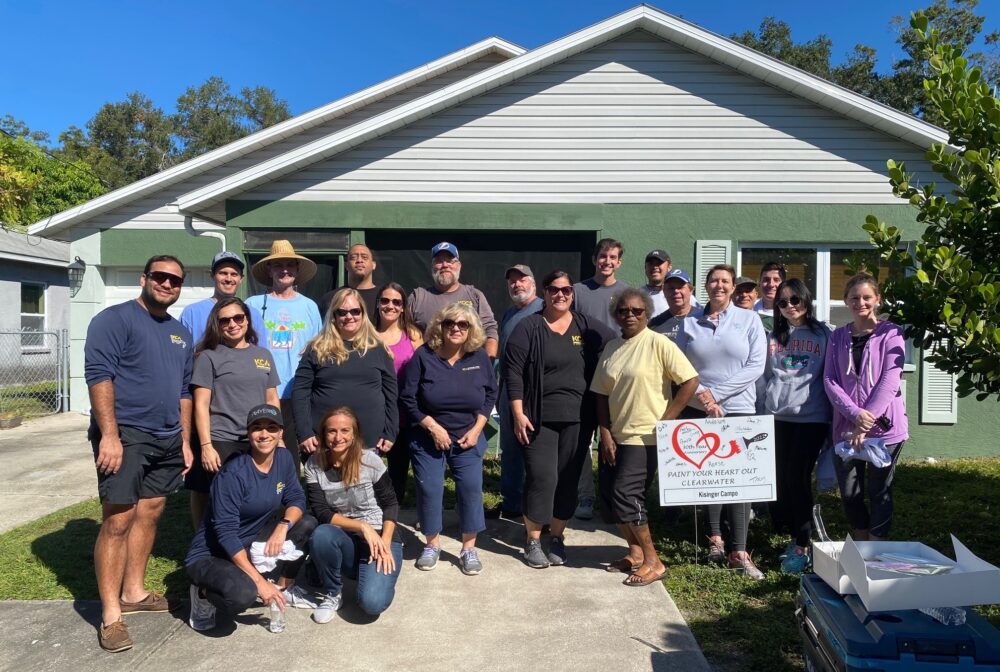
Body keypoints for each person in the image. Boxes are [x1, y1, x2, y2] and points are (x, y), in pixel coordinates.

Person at [84, 255, 194, 653]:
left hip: (167, 438)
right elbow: (99, 375)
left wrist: (184, 440)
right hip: (127, 435)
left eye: (175, 280)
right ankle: (111, 615)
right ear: (144, 278)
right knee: (118, 519)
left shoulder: (180, 333)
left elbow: (184, 390)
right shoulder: (114, 320)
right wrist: (109, 436)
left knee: (150, 512)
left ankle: (133, 592)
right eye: (160, 276)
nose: (167, 284)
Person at [504, 270, 613, 568]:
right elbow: (513, 372)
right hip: (537, 418)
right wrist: (517, 413)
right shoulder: (529, 327)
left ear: (572, 294)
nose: (560, 295)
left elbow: (618, 343)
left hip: (578, 418)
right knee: (542, 477)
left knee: (567, 478)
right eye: (554, 289)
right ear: (545, 293)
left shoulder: (585, 325)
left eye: (566, 290)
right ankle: (533, 539)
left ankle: (557, 537)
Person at [591, 288, 698, 586]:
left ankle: (654, 562)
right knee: (611, 498)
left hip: (645, 437)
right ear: (616, 315)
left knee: (628, 495)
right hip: (616, 435)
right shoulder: (612, 347)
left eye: (637, 311)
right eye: (623, 310)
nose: (630, 315)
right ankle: (635, 553)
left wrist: (668, 419)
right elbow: (601, 394)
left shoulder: (658, 343)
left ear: (647, 314)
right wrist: (605, 432)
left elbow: (690, 381)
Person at [185, 405, 317, 632]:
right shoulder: (233, 474)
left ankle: (283, 588)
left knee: (307, 523)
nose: (264, 434)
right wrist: (259, 583)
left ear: (280, 432)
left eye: (271, 428)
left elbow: (296, 498)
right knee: (243, 595)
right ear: (248, 433)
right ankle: (203, 594)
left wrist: (283, 527)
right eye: (257, 428)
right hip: (213, 553)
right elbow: (226, 534)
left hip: (250, 542)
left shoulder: (284, 458)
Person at [675, 264, 767, 580]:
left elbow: (756, 365)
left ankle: (739, 551)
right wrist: (703, 396)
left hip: (739, 409)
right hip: (698, 408)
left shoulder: (750, 319)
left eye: (725, 281)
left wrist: (716, 394)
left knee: (740, 480)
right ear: (706, 286)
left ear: (733, 287)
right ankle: (715, 539)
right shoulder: (689, 322)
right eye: (714, 280)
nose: (719, 285)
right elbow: (679, 366)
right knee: (709, 476)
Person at [400, 303, 498, 576]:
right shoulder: (424, 356)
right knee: (430, 488)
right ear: (439, 327)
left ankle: (469, 548)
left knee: (470, 488)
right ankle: (432, 544)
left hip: (468, 436)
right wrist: (433, 427)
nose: (456, 328)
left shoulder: (479, 357)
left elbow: (491, 394)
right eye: (449, 323)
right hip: (427, 436)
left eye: (462, 324)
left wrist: (477, 429)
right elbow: (408, 398)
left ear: (471, 329)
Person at [824, 273, 908, 542]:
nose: (861, 302)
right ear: (846, 301)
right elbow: (830, 380)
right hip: (846, 426)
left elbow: (890, 379)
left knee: (879, 490)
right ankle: (861, 542)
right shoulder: (837, 337)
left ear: (877, 299)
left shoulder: (892, 333)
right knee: (850, 492)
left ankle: (877, 545)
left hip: (885, 428)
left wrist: (865, 421)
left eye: (867, 297)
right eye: (855, 297)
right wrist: (855, 415)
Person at [185, 297, 280, 530]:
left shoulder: (263, 355)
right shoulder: (208, 357)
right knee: (214, 497)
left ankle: (243, 540)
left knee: (251, 496)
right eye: (225, 320)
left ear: (247, 320)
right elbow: (201, 404)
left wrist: (279, 436)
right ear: (217, 325)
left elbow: (271, 399)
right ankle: (204, 542)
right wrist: (206, 446)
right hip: (221, 439)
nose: (232, 324)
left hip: (257, 439)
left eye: (238, 317)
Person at [761, 279, 832, 574]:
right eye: (782, 302)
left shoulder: (824, 334)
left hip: (811, 416)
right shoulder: (773, 336)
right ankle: (787, 531)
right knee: (778, 477)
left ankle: (802, 543)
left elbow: (832, 375)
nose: (789, 306)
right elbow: (766, 375)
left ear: (806, 300)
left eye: (795, 300)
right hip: (778, 416)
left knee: (797, 477)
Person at [305, 407, 402, 622]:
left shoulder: (370, 460)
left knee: (372, 603)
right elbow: (321, 511)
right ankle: (333, 593)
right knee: (322, 534)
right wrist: (362, 526)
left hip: (380, 535)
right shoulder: (314, 464)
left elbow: (391, 504)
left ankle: (373, 576)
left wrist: (385, 542)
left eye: (344, 430)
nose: (338, 437)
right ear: (323, 434)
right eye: (331, 431)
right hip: (345, 535)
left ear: (354, 434)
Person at [292, 288, 398, 457]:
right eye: (342, 312)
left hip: (369, 441)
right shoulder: (316, 349)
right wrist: (304, 432)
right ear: (334, 316)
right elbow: (300, 392)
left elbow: (391, 395)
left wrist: (391, 431)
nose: (349, 316)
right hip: (324, 443)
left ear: (363, 314)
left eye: (355, 311)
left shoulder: (379, 349)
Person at [246, 240, 322, 468]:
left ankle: (297, 490)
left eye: (290, 265)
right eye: (278, 265)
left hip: (300, 390)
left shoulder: (309, 306)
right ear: (269, 270)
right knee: (264, 451)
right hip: (263, 389)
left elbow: (318, 349)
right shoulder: (252, 304)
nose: (284, 270)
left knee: (301, 452)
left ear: (297, 270)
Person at [570, 238, 629, 519]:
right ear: (595, 259)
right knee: (581, 440)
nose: (607, 261)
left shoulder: (627, 292)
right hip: (582, 374)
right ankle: (585, 496)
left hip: (616, 378)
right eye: (603, 256)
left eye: (613, 257)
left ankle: (612, 499)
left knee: (613, 439)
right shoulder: (578, 291)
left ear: (619, 262)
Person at [487, 264, 544, 520]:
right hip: (509, 393)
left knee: (533, 452)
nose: (516, 284)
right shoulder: (510, 313)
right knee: (510, 450)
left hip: (533, 394)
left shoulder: (544, 309)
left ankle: (536, 509)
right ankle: (512, 504)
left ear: (533, 283)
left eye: (522, 280)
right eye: (512, 281)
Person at [374, 281, 424, 504]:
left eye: (396, 302)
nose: (390, 306)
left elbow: (424, 372)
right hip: (374, 413)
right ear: (378, 304)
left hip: (404, 414)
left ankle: (392, 516)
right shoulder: (367, 334)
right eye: (385, 300)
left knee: (398, 472)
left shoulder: (412, 335)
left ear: (403, 307)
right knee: (369, 472)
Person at [408, 242, 499, 358]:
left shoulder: (475, 295)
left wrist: (489, 361)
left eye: (450, 261)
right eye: (439, 261)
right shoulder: (418, 297)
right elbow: (402, 330)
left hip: (467, 365)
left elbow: (490, 330)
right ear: (432, 266)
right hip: (428, 365)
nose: (445, 265)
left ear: (459, 266)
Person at [180, 250, 266, 344]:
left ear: (241, 278)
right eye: (223, 273)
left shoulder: (253, 314)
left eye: (234, 274)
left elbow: (260, 349)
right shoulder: (192, 313)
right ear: (212, 275)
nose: (228, 279)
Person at [319, 243, 379, 321]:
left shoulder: (384, 299)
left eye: (364, 257)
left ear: (373, 265)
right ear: (346, 265)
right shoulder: (331, 298)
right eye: (353, 258)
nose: (359, 260)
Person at [649, 269, 695, 341]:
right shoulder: (654, 324)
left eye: (680, 287)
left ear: (691, 290)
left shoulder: (702, 319)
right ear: (664, 292)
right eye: (671, 288)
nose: (676, 291)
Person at [753, 261, 786, 332]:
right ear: (759, 283)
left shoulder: (791, 312)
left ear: (784, 285)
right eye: (766, 280)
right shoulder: (751, 308)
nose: (771, 284)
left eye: (776, 280)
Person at [641, 249, 672, 319]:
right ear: (645, 268)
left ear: (669, 267)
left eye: (659, 263)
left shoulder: (678, 295)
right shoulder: (637, 295)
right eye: (651, 264)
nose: (654, 267)